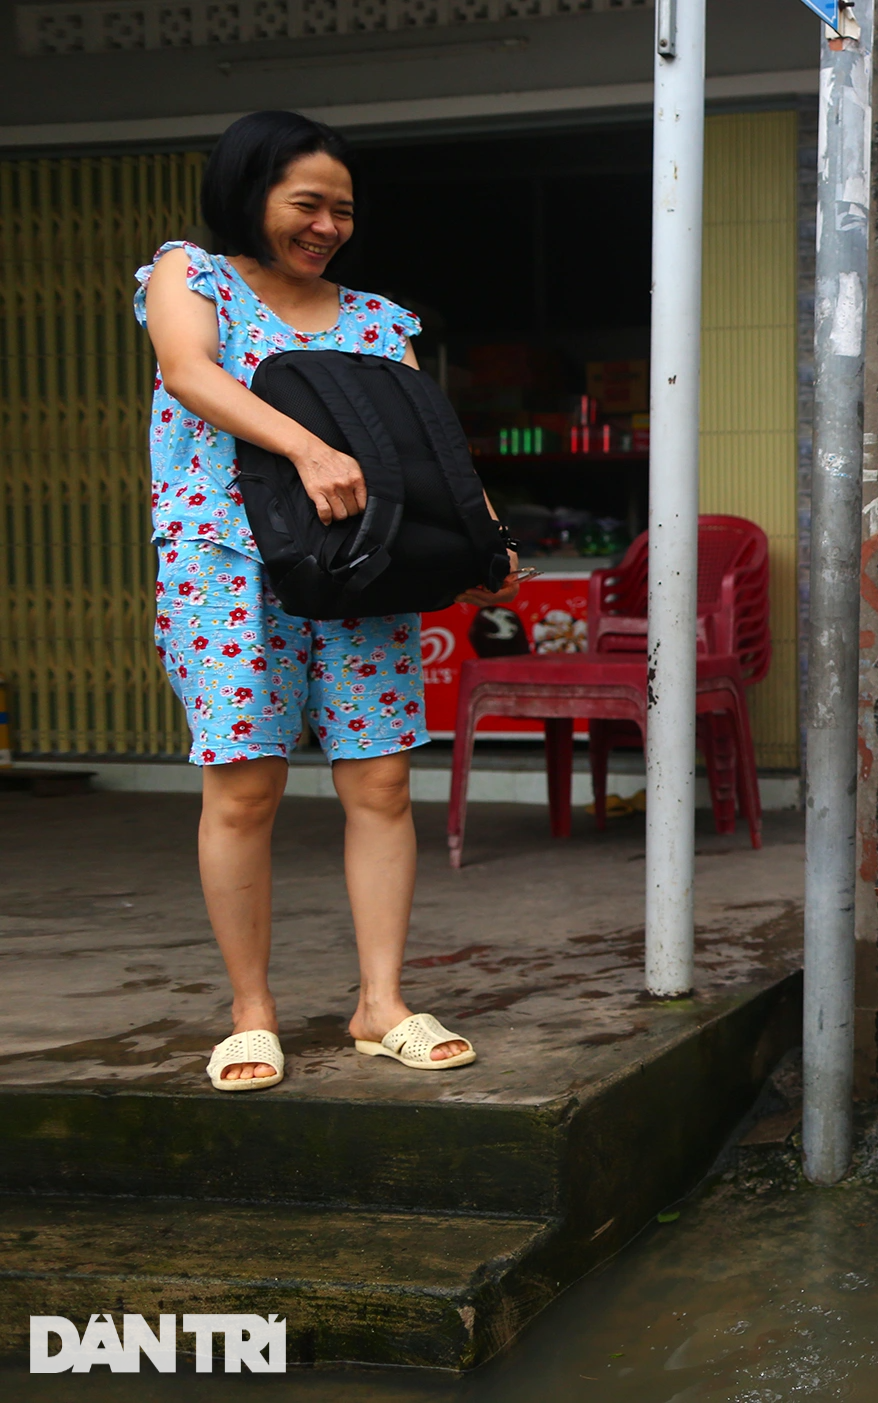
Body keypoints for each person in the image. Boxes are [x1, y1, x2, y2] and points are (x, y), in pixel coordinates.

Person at [137, 110, 518, 1093]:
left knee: (381, 783)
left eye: (342, 210)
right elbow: (190, 373)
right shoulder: (192, 275)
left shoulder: (379, 319)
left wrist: (484, 536)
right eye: (307, 203)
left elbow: (425, 445)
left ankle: (380, 1001)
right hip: (225, 565)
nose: (327, 226)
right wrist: (307, 447)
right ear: (249, 192)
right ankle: (251, 1012)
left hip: (362, 567)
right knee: (245, 785)